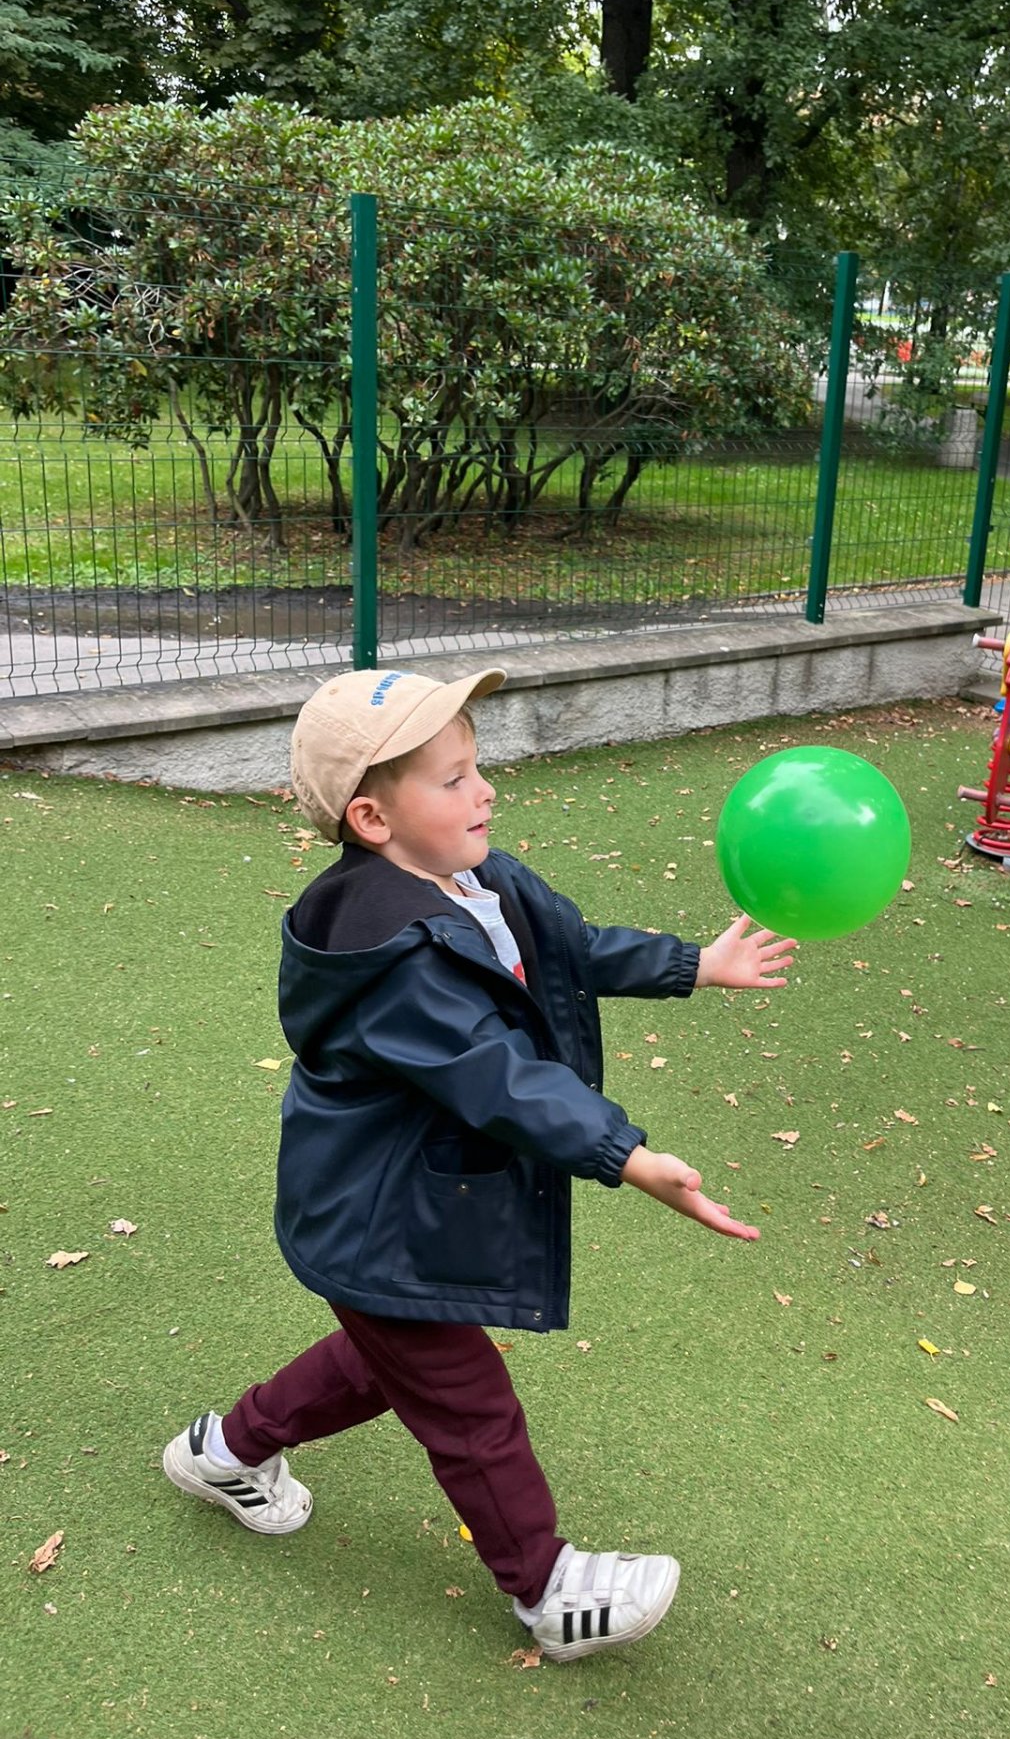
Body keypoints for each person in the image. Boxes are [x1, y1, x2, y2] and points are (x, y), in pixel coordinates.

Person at [162, 667, 795, 1663]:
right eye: (452, 779)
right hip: (372, 1218)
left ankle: (226, 1451)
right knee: (467, 1403)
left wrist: (691, 965)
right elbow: (497, 1075)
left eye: (477, 766)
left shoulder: (475, 880)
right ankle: (546, 1589)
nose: (485, 790)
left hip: (400, 1210)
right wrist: (626, 1155)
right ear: (373, 819)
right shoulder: (394, 957)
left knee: (390, 1361)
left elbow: (568, 949)